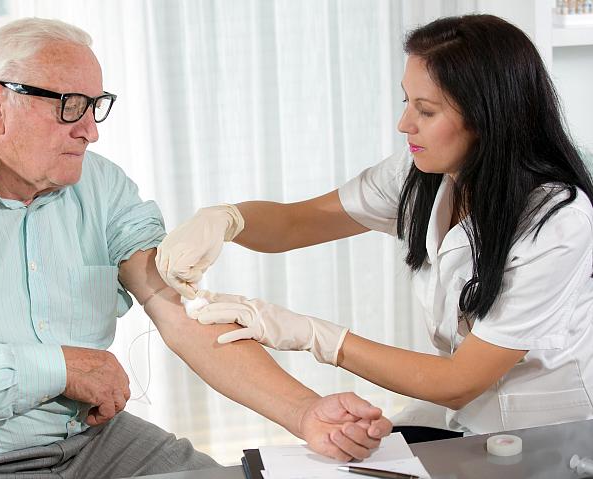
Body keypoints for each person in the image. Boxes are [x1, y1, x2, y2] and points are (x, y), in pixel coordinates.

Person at [0, 17, 393, 479]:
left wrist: (305, 413)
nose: (91, 131)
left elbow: (182, 314)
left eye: (96, 106)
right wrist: (60, 368)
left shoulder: (100, 185)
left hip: (95, 444)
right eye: (69, 107)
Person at [156, 14, 593, 443]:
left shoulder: (556, 221)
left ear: (487, 117)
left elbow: (461, 380)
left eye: (426, 110)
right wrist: (227, 219)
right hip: (465, 415)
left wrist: (315, 336)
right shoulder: (422, 174)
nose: (405, 124)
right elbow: (295, 223)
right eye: (407, 102)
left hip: (545, 431)